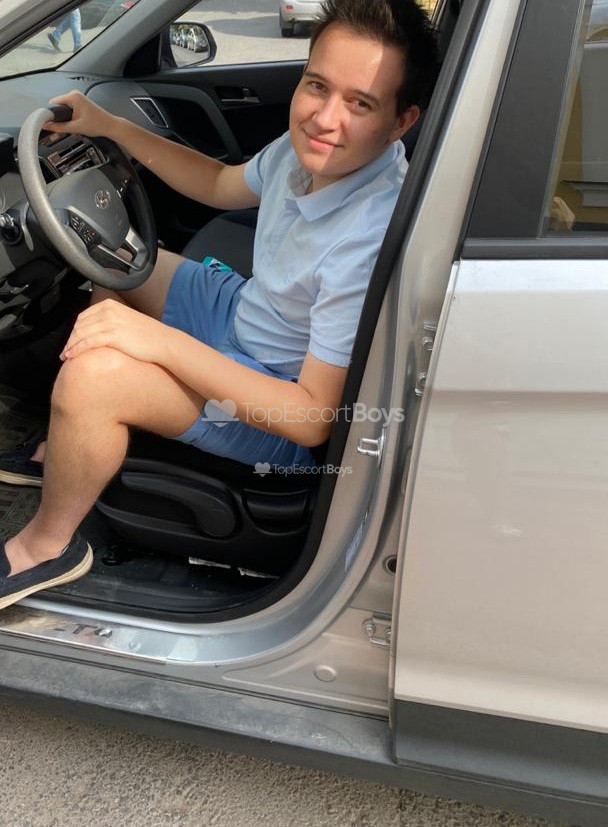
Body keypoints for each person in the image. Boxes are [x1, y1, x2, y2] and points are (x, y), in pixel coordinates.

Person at [0, 0, 438, 609]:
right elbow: (216, 184)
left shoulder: (366, 238)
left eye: (360, 103)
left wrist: (159, 344)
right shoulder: (303, 151)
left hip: (271, 405)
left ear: (401, 121)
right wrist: (111, 126)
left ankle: (48, 546)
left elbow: (311, 419)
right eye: (317, 86)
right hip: (244, 316)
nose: (324, 118)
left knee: (92, 377)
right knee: (121, 260)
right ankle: (68, 447)